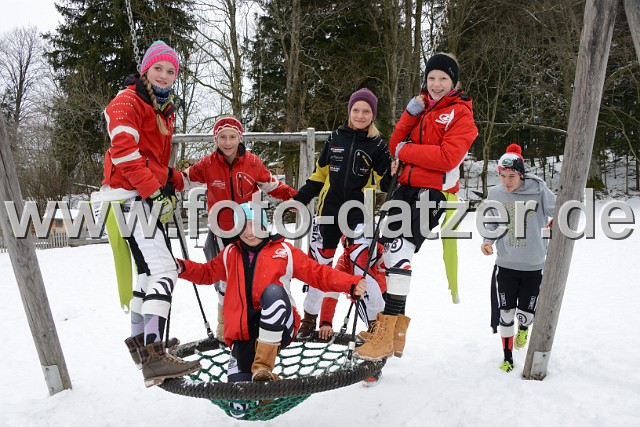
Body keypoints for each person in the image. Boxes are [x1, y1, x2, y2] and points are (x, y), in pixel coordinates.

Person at [354, 53, 478, 361]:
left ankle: (386, 332)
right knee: (387, 253)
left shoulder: (461, 115)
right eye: (431, 77)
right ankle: (394, 333)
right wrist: (410, 115)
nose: (436, 84)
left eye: (443, 79)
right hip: (403, 187)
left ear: (454, 83)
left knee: (400, 250)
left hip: (432, 192)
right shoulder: (423, 108)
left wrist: (407, 151)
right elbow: (394, 143)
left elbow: (447, 157)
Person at [93, 40, 200, 387]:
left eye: (171, 71)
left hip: (136, 194)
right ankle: (155, 356)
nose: (164, 76)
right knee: (165, 270)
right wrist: (153, 191)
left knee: (147, 271)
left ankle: (142, 346)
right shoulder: (127, 102)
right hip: (131, 196)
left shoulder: (161, 108)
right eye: (158, 68)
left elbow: (152, 159)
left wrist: (174, 180)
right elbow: (125, 154)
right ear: (145, 69)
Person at [176, 202, 367, 382]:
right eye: (242, 226)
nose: (249, 232)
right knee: (239, 395)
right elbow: (206, 273)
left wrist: (351, 283)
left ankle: (263, 366)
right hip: (245, 332)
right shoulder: (230, 253)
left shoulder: (284, 251)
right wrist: (181, 267)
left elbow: (318, 274)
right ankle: (266, 384)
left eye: (254, 225)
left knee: (273, 292)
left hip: (280, 324)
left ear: (264, 225)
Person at [181, 115, 297, 338]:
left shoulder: (252, 163)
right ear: (215, 139)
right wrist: (162, 181)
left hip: (250, 231)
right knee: (225, 280)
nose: (227, 142)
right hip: (222, 230)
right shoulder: (207, 164)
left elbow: (271, 185)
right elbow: (183, 179)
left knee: (254, 277)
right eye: (222, 137)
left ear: (240, 138)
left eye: (232, 137)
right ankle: (224, 324)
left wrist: (295, 198)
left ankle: (257, 322)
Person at [292, 88, 392, 340]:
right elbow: (319, 175)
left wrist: (395, 173)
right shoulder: (335, 137)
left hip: (358, 216)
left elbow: (385, 183)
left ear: (373, 115)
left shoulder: (378, 146)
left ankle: (376, 327)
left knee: (363, 270)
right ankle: (309, 319)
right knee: (319, 269)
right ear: (349, 111)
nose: (360, 115)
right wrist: (300, 198)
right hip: (328, 213)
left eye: (366, 111)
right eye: (356, 110)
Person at [480, 144, 556, 373]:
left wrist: (555, 221)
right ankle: (507, 358)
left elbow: (562, 209)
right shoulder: (495, 194)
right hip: (506, 264)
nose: (506, 182)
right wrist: (487, 241)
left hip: (533, 264)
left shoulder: (539, 190)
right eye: (502, 176)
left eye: (511, 176)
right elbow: (491, 223)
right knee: (505, 314)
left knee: (525, 314)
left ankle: (524, 327)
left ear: (521, 174)